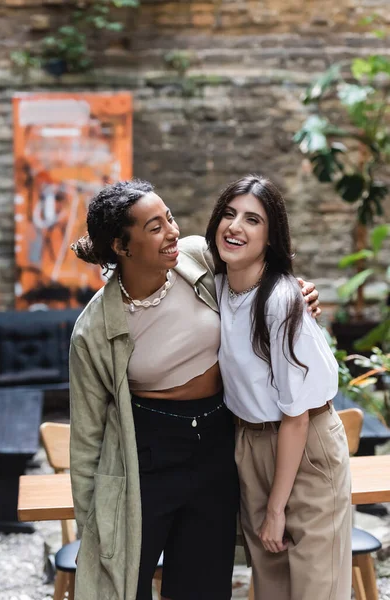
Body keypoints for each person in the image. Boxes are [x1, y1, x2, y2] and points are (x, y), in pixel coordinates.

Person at [69, 179, 320, 600]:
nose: (171, 230)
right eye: (154, 227)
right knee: (125, 583)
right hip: (148, 455)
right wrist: (92, 524)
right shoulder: (94, 331)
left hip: (216, 447)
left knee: (203, 587)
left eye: (168, 217)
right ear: (121, 246)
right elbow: (87, 436)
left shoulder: (196, 258)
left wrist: (298, 290)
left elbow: (258, 272)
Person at [205, 174, 351, 600]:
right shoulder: (215, 288)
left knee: (315, 586)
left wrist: (275, 509)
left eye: (253, 220)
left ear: (270, 238)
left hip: (303, 446)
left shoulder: (282, 302)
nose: (235, 227)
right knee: (270, 584)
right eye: (229, 214)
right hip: (249, 443)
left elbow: (297, 417)